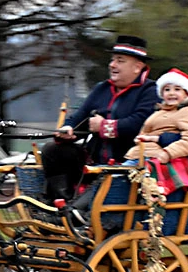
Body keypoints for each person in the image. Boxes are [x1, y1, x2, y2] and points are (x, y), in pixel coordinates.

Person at [41, 35, 159, 201]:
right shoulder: (102, 88)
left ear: (137, 67)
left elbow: (139, 123)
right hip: (93, 160)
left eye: (120, 60)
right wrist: (68, 129)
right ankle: (61, 202)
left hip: (128, 164)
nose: (112, 65)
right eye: (112, 60)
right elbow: (79, 116)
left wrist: (104, 126)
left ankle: (74, 209)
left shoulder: (150, 91)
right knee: (51, 150)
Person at [123, 68, 188, 164]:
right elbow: (145, 132)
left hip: (156, 158)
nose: (171, 93)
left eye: (177, 89)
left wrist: (167, 153)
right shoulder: (159, 112)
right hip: (138, 154)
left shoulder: (187, 111)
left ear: (186, 94)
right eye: (167, 89)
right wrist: (140, 138)